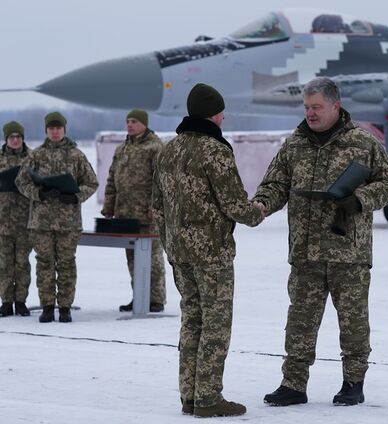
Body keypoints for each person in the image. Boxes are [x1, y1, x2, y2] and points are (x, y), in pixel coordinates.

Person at [254, 77, 388, 406]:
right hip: (305, 252)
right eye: (307, 107)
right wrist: (262, 204)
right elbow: (275, 183)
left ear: (335, 106)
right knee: (300, 322)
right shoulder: (294, 144)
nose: (311, 113)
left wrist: (360, 198)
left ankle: (353, 382)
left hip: (347, 251)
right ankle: (293, 384)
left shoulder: (363, 142)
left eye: (317, 107)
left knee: (352, 322)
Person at [152, 83, 264, 417]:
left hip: (178, 252)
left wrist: (170, 241)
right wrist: (257, 211)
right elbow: (233, 204)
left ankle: (189, 394)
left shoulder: (167, 150)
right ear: (214, 114)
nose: (224, 116)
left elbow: (156, 207)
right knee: (215, 324)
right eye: (221, 111)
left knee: (192, 321)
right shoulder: (215, 150)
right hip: (211, 253)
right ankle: (208, 398)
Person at [15, 112, 98, 323]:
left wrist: (76, 196)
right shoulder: (36, 155)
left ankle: (64, 307)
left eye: (58, 128)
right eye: (51, 128)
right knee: (44, 264)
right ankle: (48, 306)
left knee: (66, 264)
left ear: (64, 130)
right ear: (46, 131)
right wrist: (38, 193)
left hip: (68, 222)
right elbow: (21, 182)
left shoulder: (76, 155)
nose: (55, 131)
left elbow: (92, 182)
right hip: (41, 221)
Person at [101, 109, 166, 313]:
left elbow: (161, 181)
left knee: (152, 258)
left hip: (147, 214)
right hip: (125, 213)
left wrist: (155, 207)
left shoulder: (154, 147)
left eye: (134, 121)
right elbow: (112, 180)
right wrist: (109, 207)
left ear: (144, 124)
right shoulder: (122, 149)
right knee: (132, 258)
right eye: (128, 121)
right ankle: (139, 296)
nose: (130, 125)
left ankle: (155, 299)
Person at [0, 121, 32, 317]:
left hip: (25, 220)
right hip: (2, 220)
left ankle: (21, 301)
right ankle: (6, 301)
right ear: (6, 139)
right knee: (4, 264)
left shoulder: (32, 158)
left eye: (18, 137)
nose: (15, 140)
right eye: (11, 137)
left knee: (22, 263)